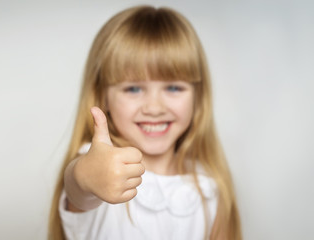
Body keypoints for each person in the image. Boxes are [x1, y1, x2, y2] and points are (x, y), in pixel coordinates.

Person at [48, 5, 242, 240]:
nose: (154, 108)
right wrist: (87, 176)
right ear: (103, 96)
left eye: (173, 87)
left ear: (198, 96)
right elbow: (78, 186)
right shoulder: (99, 166)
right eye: (134, 88)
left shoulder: (209, 186)